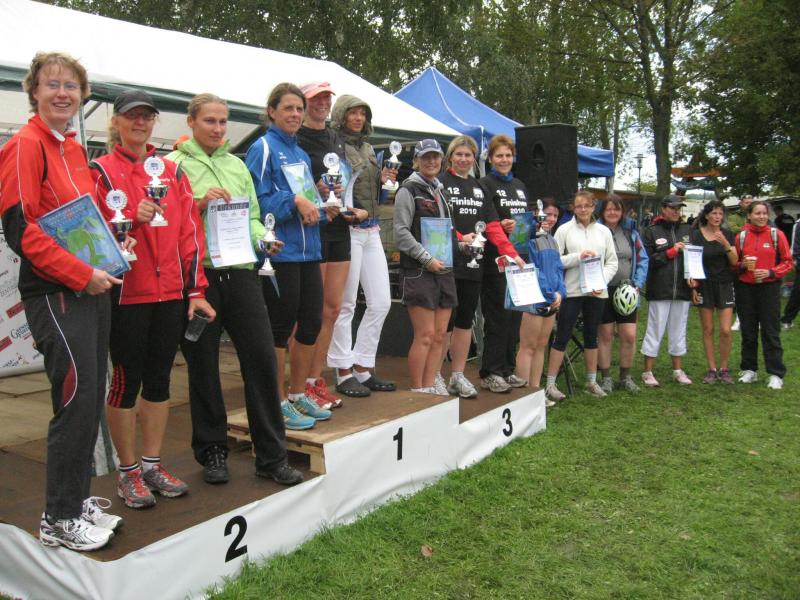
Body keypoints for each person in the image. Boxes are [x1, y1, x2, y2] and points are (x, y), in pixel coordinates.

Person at [0, 52, 121, 551]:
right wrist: (79, 273)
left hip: (90, 286)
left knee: (89, 397)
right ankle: (59, 518)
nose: (63, 93)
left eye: (71, 86)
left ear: (82, 95)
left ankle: (76, 498)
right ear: (34, 91)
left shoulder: (71, 147)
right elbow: (19, 227)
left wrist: (112, 251)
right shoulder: (25, 145)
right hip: (55, 291)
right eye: (52, 84)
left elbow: (82, 220)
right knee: (75, 398)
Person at [168, 93, 306, 487]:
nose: (217, 129)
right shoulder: (174, 165)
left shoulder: (236, 164)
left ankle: (272, 456)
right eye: (209, 121)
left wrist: (264, 238)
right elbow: (168, 220)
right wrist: (198, 204)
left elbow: (252, 216)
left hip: (243, 273)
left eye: (222, 122)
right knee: (203, 367)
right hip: (201, 278)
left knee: (261, 361)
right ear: (191, 122)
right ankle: (213, 451)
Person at [92, 90, 215, 508]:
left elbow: (189, 233)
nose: (139, 123)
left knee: (160, 380)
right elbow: (93, 233)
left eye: (147, 117)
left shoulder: (171, 172)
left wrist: (194, 289)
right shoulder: (101, 171)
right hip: (126, 294)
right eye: (132, 116)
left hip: (170, 294)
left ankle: (151, 464)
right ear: (116, 122)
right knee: (126, 382)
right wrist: (128, 221)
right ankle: (127, 472)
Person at [246, 83, 332, 422]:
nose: (295, 114)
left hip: (309, 250)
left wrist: (321, 203)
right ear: (272, 111)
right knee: (280, 328)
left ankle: (297, 394)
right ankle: (276, 401)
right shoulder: (263, 148)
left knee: (311, 324)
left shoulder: (300, 153)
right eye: (288, 108)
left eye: (299, 109)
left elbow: (306, 200)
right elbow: (256, 201)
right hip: (280, 252)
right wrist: (294, 200)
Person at [296, 82, 368, 408]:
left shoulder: (336, 138)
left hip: (340, 226)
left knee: (333, 309)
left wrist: (353, 207)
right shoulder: (296, 138)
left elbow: (344, 180)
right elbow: (296, 187)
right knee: (310, 312)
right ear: (304, 103)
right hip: (314, 229)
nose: (322, 103)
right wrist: (316, 190)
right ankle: (297, 386)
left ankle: (315, 380)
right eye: (316, 98)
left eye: (326, 98)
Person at [327, 94, 397, 397]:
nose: (358, 118)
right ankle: (343, 371)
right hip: (348, 229)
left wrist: (384, 182)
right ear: (341, 115)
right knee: (346, 304)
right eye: (352, 113)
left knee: (381, 302)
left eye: (362, 114)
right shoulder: (334, 146)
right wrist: (352, 211)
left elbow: (375, 194)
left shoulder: (368, 148)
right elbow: (336, 190)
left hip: (371, 228)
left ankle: (363, 366)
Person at [438, 135, 518, 398]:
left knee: (465, 322)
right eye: (459, 154)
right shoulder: (440, 183)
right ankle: (435, 374)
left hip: (474, 266)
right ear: (450, 157)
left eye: (468, 155)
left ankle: (457, 376)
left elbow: (492, 227)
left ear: (474, 159)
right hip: (446, 264)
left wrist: (512, 254)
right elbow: (434, 223)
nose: (463, 159)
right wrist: (461, 239)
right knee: (444, 325)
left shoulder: (479, 187)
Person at [393, 139, 459, 393]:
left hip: (444, 270)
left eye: (435, 156)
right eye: (425, 157)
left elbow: (445, 232)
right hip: (419, 270)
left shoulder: (440, 191)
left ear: (442, 159)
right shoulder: (407, 190)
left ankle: (431, 386)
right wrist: (426, 258)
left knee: (440, 335)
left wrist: (463, 247)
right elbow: (400, 233)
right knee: (426, 335)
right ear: (416, 161)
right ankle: (418, 390)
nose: (431, 161)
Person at [544, 190, 618, 401]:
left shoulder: (604, 231)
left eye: (587, 205)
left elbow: (612, 262)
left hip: (597, 291)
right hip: (572, 291)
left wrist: (601, 281)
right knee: (562, 335)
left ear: (594, 206)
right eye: (579, 206)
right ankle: (550, 384)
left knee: (591, 335)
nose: (583, 209)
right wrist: (578, 257)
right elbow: (555, 259)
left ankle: (591, 382)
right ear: (573, 208)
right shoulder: (564, 230)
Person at [477, 135, 527, 393]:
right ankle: (491, 371)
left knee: (514, 319)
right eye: (499, 156)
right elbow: (481, 220)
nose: (504, 160)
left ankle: (507, 369)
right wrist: (499, 226)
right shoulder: (485, 184)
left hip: (519, 259)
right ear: (490, 159)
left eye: (508, 155)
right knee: (497, 317)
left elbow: (525, 219)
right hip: (495, 260)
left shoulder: (520, 185)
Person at [734, 200, 792, 389]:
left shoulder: (777, 235)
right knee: (748, 331)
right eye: (757, 213)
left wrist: (771, 272)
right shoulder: (741, 236)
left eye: (764, 213)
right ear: (749, 215)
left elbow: (788, 262)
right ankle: (749, 369)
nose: (762, 216)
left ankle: (775, 373)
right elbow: (734, 264)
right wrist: (742, 265)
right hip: (746, 289)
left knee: (770, 331)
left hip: (769, 289)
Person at [596, 195, 649, 393]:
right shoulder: (595, 232)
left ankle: (625, 377)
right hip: (603, 290)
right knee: (605, 334)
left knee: (629, 335)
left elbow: (643, 259)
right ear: (602, 211)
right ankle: (606, 378)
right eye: (608, 209)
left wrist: (638, 283)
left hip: (627, 291)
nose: (612, 212)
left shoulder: (630, 232)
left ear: (622, 212)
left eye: (616, 209)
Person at [640, 195, 694, 386]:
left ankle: (677, 371)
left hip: (682, 289)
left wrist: (694, 278)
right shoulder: (651, 231)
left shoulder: (687, 230)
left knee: (679, 330)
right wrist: (671, 252)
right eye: (672, 208)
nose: (676, 211)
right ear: (663, 209)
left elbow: (694, 258)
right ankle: (647, 372)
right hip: (660, 289)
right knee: (655, 329)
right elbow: (648, 260)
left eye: (679, 208)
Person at [513, 200, 564, 400]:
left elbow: (558, 269)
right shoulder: (529, 239)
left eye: (555, 216)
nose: (551, 219)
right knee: (528, 346)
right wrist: (550, 294)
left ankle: (535, 393)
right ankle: (523, 395)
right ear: (537, 214)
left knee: (541, 345)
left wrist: (560, 292)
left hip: (552, 300)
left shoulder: (552, 240)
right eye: (547, 214)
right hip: (534, 299)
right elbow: (531, 268)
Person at [688, 200, 737, 384]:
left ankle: (724, 369)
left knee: (725, 330)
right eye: (714, 213)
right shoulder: (696, 235)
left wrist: (725, 243)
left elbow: (734, 260)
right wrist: (692, 285)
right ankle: (711, 369)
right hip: (704, 285)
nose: (717, 217)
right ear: (707, 215)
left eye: (720, 213)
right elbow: (691, 262)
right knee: (708, 329)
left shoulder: (728, 234)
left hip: (724, 284)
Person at [780, 219, 800, 329]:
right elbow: (795, 247)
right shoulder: (798, 224)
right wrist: (797, 261)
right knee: (797, 293)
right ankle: (787, 319)